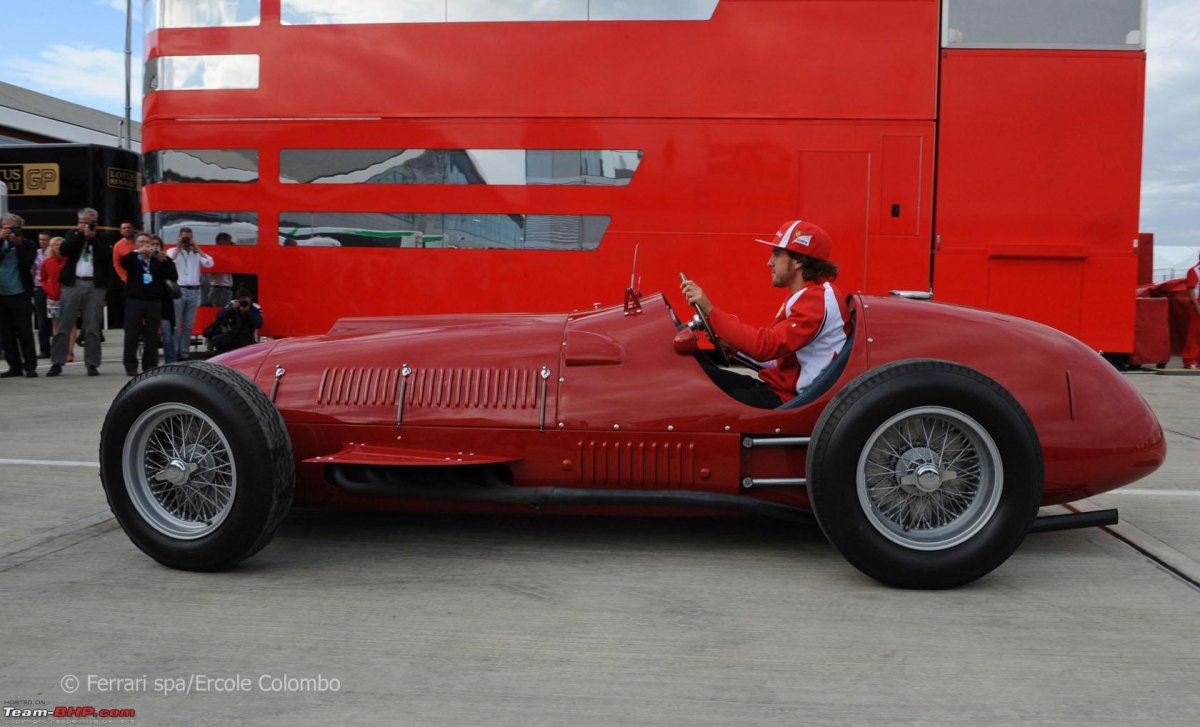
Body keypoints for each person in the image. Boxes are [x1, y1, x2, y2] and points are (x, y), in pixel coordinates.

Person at [680, 219, 849, 408]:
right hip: (780, 391)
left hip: (789, 401)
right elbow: (775, 359)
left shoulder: (817, 300)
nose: (769, 263)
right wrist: (733, 347)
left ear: (799, 260)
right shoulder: (806, 296)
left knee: (696, 397)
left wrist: (710, 312)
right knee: (693, 377)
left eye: (777, 254)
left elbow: (765, 347)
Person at [48, 207, 112, 377]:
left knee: (92, 327)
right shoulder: (72, 235)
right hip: (72, 284)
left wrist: (92, 238)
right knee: (64, 325)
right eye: (85, 222)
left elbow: (106, 256)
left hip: (94, 286)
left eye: (92, 223)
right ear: (79, 222)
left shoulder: (102, 238)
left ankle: (92, 363)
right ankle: (57, 362)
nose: (88, 226)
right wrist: (81, 235)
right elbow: (65, 251)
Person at [120, 232, 177, 376]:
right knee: (132, 334)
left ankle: (150, 364)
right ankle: (131, 365)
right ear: (136, 245)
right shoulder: (133, 258)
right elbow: (123, 262)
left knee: (152, 335)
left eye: (147, 242)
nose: (145, 244)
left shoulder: (157, 260)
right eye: (141, 242)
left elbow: (173, 276)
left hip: (154, 301)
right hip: (135, 300)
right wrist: (138, 252)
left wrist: (165, 260)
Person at [166, 227, 214, 361]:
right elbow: (169, 262)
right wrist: (179, 246)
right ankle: (174, 353)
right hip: (179, 290)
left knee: (188, 325)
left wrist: (197, 247)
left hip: (194, 290)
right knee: (176, 324)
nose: (186, 239)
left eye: (188, 237)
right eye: (184, 237)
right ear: (179, 237)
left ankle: (184, 353)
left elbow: (210, 263)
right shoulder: (172, 251)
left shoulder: (196, 252)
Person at [0, 214, 39, 377]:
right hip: (1, 295)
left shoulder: (27, 244)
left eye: (13, 227)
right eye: (6, 227)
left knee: (24, 332)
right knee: (5, 333)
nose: (10, 231)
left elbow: (28, 262)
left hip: (20, 293)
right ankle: (14, 366)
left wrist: (19, 244)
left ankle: (30, 366)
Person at [40, 237, 75, 355]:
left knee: (71, 324)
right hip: (53, 298)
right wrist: (49, 290)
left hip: (70, 297)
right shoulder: (47, 262)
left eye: (61, 245)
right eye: (56, 245)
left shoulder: (70, 260)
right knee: (56, 326)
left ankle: (69, 351)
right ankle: (60, 350)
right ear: (52, 247)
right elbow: (42, 279)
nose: (58, 247)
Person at [204, 287, 262, 353]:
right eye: (242, 301)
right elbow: (219, 316)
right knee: (217, 339)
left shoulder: (254, 308)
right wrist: (231, 309)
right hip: (233, 334)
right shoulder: (232, 305)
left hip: (247, 337)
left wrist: (248, 312)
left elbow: (259, 324)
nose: (244, 303)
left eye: (245, 301)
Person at [109, 220, 138, 331]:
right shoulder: (118, 246)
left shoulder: (140, 242)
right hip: (129, 281)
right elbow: (116, 264)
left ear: (133, 229)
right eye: (124, 228)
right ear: (121, 231)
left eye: (129, 227)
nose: (127, 230)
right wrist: (124, 278)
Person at [32, 231, 52, 358]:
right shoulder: (36, 254)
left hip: (53, 289)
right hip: (39, 288)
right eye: (40, 240)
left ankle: (59, 348)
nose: (42, 242)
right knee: (42, 321)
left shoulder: (54, 253)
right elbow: (32, 270)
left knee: (55, 320)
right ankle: (44, 349)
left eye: (45, 239)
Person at [204, 232, 235, 308]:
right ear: (220, 242)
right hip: (219, 288)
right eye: (227, 241)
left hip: (227, 288)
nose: (229, 243)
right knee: (220, 312)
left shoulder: (228, 254)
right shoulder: (213, 254)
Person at [1184, 251, 1200, 370]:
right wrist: (1197, 305)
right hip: (1198, 302)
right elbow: (1191, 289)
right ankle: (1190, 359)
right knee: (1195, 333)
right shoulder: (1194, 270)